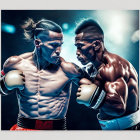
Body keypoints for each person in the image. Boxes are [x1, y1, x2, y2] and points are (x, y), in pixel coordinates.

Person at [0, 18, 91, 130]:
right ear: (38, 43)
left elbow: (97, 87)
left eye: (60, 45)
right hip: (23, 131)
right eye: (53, 45)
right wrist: (4, 84)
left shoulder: (69, 69)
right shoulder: (15, 63)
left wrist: (95, 95)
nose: (59, 50)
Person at [74, 19, 139, 130]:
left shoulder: (113, 67)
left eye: (80, 46)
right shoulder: (95, 68)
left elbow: (118, 108)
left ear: (96, 45)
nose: (77, 52)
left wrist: (94, 96)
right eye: (76, 47)